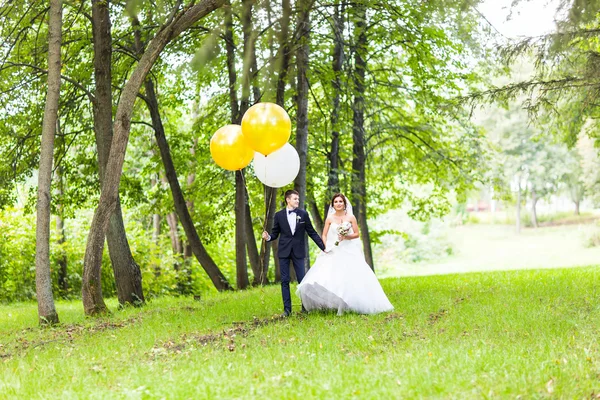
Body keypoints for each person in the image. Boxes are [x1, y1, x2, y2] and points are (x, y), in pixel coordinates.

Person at [296, 193, 394, 315]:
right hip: (333, 249)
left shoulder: (351, 217)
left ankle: (352, 304)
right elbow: (324, 234)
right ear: (333, 204)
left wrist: (346, 236)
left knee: (350, 276)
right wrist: (324, 246)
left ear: (344, 204)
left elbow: (357, 234)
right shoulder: (330, 218)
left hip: (348, 250)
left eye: (340, 201)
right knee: (329, 276)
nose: (338, 204)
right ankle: (334, 303)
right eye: (336, 202)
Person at [262, 190, 325, 317]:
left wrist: (323, 247)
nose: (298, 200)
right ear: (288, 200)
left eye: (298, 198)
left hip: (298, 251)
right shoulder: (278, 215)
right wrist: (268, 237)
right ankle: (287, 310)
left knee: (302, 280)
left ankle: (305, 307)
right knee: (284, 281)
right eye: (295, 198)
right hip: (284, 251)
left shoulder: (303, 214)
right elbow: (275, 233)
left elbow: (312, 232)